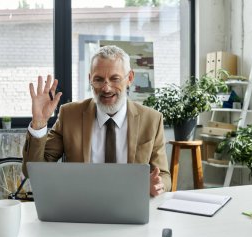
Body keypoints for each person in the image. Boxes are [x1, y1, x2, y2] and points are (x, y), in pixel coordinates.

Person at [22, 45, 171, 196]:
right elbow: (32, 171)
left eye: (114, 79)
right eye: (99, 79)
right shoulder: (69, 115)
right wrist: (39, 123)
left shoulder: (152, 119)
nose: (106, 88)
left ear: (130, 78)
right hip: (83, 206)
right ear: (90, 80)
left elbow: (164, 176)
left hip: (131, 204)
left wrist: (158, 185)